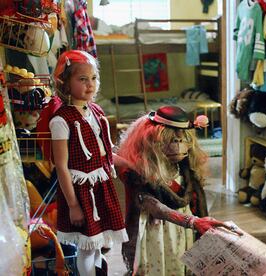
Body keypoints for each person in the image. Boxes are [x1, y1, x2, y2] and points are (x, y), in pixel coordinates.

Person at [116, 106, 239, 276]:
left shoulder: (185, 169)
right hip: (156, 233)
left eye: (182, 140)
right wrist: (193, 222)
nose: (178, 145)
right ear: (153, 141)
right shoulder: (139, 173)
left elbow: (195, 199)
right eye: (172, 140)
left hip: (183, 232)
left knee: (182, 265)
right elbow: (155, 207)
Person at [49, 50, 129, 276]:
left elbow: (105, 151)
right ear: (66, 83)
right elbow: (61, 167)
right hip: (80, 191)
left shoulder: (96, 112)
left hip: (100, 186)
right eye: (82, 79)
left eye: (93, 78)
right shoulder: (61, 120)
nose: (90, 84)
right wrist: (73, 205)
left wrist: (132, 164)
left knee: (98, 245)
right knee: (86, 247)